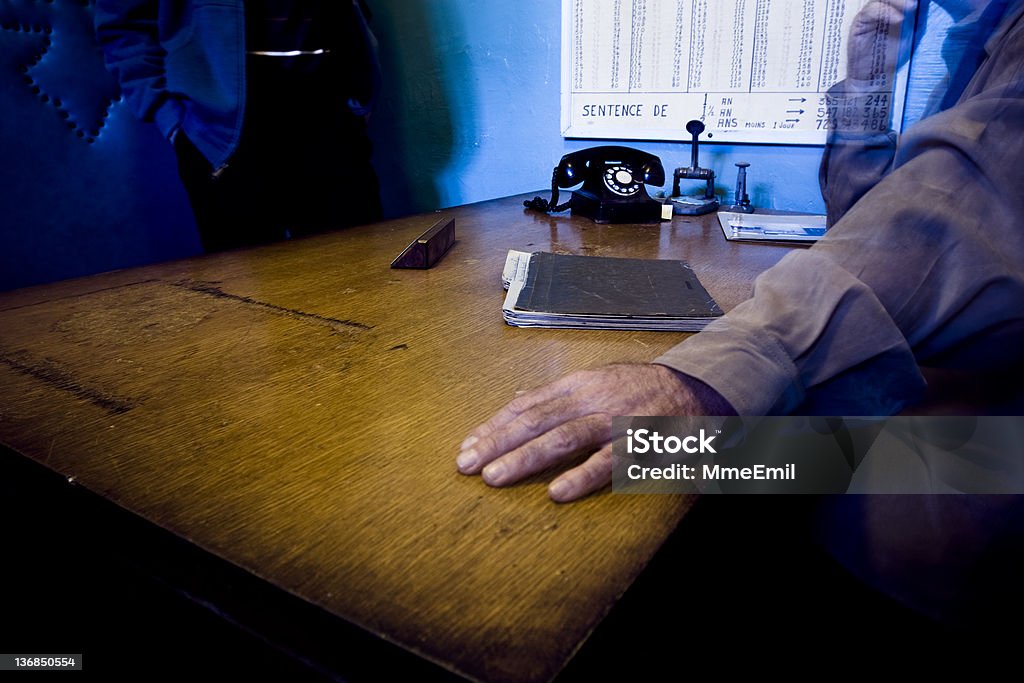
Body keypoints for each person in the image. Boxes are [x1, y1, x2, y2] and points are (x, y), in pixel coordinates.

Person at [457, 0, 1024, 501]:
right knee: (717, 447)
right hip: (964, 393)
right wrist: (868, 83)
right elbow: (862, 228)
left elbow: (937, 222)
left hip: (997, 451)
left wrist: (701, 378)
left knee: (702, 465)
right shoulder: (977, 46)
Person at [94, 1, 383, 252]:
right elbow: (122, 26)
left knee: (361, 285)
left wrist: (357, 91)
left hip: (329, 116)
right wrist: (170, 119)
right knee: (252, 308)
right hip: (222, 131)